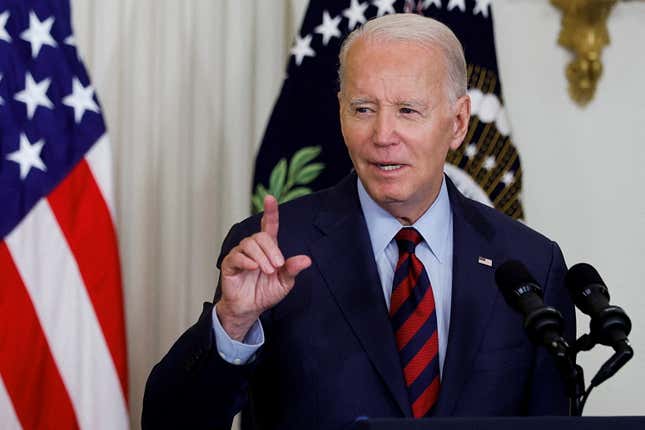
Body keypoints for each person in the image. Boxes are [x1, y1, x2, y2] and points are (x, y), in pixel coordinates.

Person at [142, 13, 575, 430]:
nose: (383, 135)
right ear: (341, 112)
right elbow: (170, 424)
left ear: (458, 122)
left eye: (408, 110)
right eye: (363, 109)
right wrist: (232, 325)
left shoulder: (531, 264)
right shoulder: (275, 250)